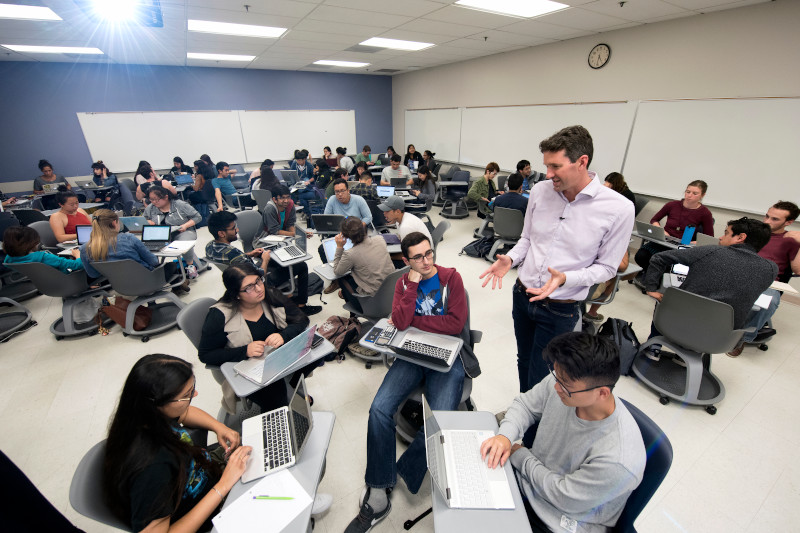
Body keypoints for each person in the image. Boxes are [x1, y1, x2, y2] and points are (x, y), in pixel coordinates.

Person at [480, 125, 634, 394]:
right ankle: (525, 417)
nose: (548, 174)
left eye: (555, 166)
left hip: (560, 307)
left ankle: (536, 428)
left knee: (544, 374)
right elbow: (527, 239)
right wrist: (512, 258)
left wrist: (566, 278)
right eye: (546, 166)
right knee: (524, 360)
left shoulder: (618, 208)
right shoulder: (541, 191)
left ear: (582, 162)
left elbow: (608, 267)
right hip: (523, 294)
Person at [345, 232, 479, 533]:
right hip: (411, 353)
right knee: (379, 408)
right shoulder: (405, 283)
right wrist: (413, 286)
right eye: (418, 257)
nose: (426, 261)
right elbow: (399, 320)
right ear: (406, 261)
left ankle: (404, 469)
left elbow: (455, 324)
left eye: (429, 253)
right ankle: (378, 489)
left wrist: (414, 321)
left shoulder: (451, 279)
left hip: (448, 354)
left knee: (439, 421)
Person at [480, 332, 646, 533]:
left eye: (565, 384)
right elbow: (525, 405)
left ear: (602, 393)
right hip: (528, 484)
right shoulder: (565, 384)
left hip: (557, 520)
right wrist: (504, 436)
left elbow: (563, 496)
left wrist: (520, 455)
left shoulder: (619, 459)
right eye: (557, 376)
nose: (556, 387)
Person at [103, 353, 252, 532]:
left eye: (192, 388)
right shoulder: (152, 467)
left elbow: (186, 413)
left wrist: (219, 427)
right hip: (208, 516)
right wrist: (224, 485)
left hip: (210, 475)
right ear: (158, 403)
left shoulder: (144, 414)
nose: (195, 394)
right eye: (187, 395)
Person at [641, 217, 777, 361]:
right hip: (720, 339)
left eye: (726, 233)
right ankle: (688, 355)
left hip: (673, 323)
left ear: (740, 237)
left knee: (667, 298)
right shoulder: (770, 269)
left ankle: (653, 348)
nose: (721, 237)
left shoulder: (710, 251)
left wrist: (651, 288)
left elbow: (658, 258)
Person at [198, 262, 314, 412]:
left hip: (275, 358)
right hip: (248, 368)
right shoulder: (219, 316)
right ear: (236, 294)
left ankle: (292, 383)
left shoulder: (271, 294)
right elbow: (205, 355)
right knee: (277, 397)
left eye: (258, 281)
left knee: (316, 355)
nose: (259, 289)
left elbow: (302, 319)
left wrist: (283, 335)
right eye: (249, 287)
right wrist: (245, 350)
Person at [727, 201, 800, 356]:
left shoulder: (790, 240)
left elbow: (797, 270)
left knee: (770, 302)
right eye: (767, 216)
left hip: (767, 281)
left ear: (788, 222)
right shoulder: (753, 231)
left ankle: (742, 338)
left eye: (774, 219)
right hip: (739, 272)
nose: (767, 222)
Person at [249, 187, 321, 315]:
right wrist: (294, 235)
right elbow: (274, 231)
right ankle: (288, 297)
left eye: (288, 197)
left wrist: (297, 233)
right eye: (282, 198)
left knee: (296, 263)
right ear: (274, 199)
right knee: (293, 265)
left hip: (281, 241)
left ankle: (299, 302)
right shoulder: (270, 208)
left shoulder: (290, 205)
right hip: (263, 243)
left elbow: (291, 224)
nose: (286, 200)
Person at [80, 209, 188, 292]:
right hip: (147, 281)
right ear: (114, 223)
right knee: (171, 265)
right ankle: (178, 286)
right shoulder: (128, 238)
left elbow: (93, 275)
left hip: (119, 286)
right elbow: (154, 262)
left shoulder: (85, 248)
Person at [634, 180, 713, 278]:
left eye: (695, 193)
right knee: (641, 255)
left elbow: (709, 237)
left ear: (702, 195)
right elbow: (654, 219)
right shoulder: (672, 205)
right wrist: (660, 230)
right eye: (687, 192)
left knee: (668, 262)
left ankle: (652, 277)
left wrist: (693, 243)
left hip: (682, 246)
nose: (689, 195)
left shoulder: (705, 213)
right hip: (664, 241)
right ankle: (652, 275)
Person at [332, 217, 394, 312]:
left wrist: (339, 247)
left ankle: (354, 309)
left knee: (342, 278)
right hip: (392, 292)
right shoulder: (380, 239)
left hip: (374, 301)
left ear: (345, 235)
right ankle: (345, 294)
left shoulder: (350, 254)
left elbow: (337, 271)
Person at [144, 185, 203, 277]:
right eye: (151, 199)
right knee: (147, 246)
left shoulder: (180, 205)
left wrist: (185, 225)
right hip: (161, 235)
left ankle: (190, 266)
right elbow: (145, 219)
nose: (154, 202)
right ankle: (155, 268)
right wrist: (148, 222)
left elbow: (197, 217)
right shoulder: (150, 208)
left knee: (184, 242)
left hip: (183, 231)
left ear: (166, 197)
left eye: (156, 199)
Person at [3, 225, 83, 273]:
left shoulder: (9, 259)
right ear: (31, 243)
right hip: (69, 280)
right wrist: (78, 255)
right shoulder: (43, 257)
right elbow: (77, 265)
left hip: (44, 284)